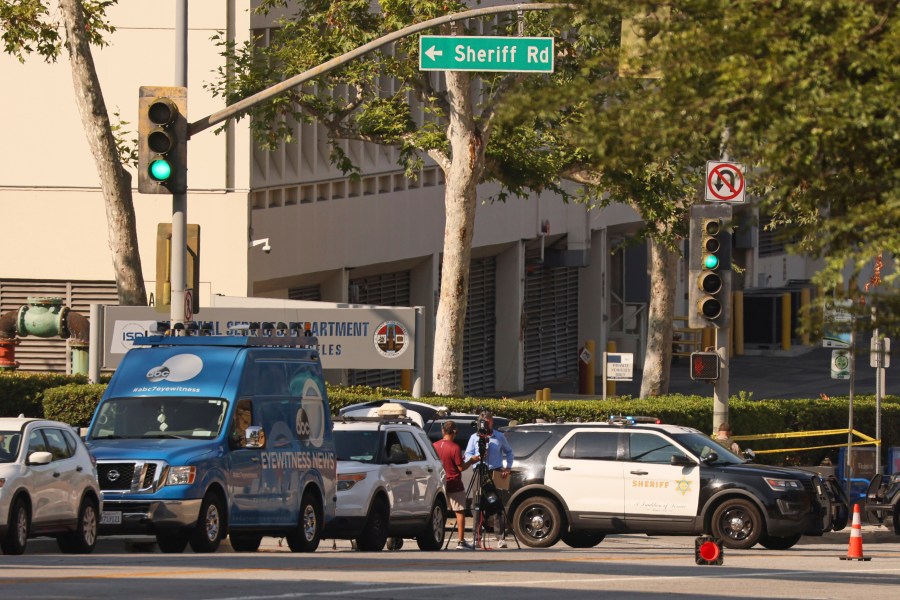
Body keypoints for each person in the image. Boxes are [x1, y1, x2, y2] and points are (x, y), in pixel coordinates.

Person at [464, 410, 514, 548]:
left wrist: (507, 467)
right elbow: (467, 454)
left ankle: (500, 537)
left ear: (491, 422)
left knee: (496, 504)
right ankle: (476, 536)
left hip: (494, 471)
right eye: (483, 422)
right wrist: (475, 458)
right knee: (477, 505)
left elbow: (509, 452)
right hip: (479, 472)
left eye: (488, 422)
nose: (485, 424)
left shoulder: (499, 436)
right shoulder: (474, 437)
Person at [433, 420, 479, 550]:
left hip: (439, 482)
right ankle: (461, 541)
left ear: (443, 431)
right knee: (459, 511)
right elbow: (460, 468)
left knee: (438, 511)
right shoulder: (455, 447)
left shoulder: (434, 445)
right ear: (455, 432)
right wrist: (471, 461)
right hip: (454, 483)